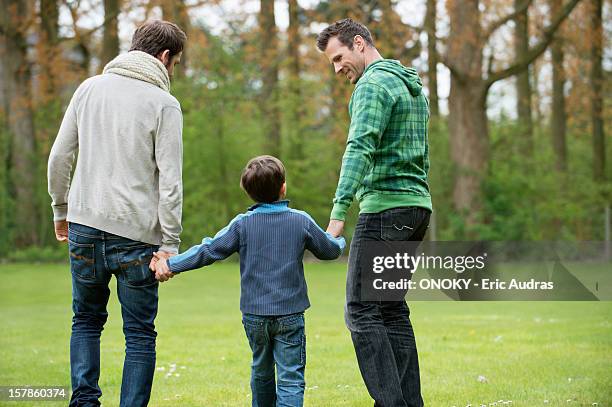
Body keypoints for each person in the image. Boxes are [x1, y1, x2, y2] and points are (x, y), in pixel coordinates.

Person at [47, 20, 187, 407]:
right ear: (164, 57)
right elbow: (170, 182)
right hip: (138, 237)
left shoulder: (89, 89)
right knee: (140, 334)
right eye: (173, 63)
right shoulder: (164, 104)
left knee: (86, 321)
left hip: (84, 227)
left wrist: (61, 208)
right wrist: (170, 243)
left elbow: (60, 157)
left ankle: (85, 402)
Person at [153, 155, 346, 407]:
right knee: (290, 378)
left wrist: (170, 263)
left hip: (254, 315)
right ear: (283, 187)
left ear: (247, 192)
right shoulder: (301, 221)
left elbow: (208, 250)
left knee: (262, 372)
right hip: (290, 314)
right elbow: (329, 251)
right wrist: (337, 239)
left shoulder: (242, 224)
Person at [317, 18, 432, 407]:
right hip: (416, 208)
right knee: (391, 311)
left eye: (339, 57)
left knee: (361, 311)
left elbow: (359, 148)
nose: (337, 69)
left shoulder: (372, 85)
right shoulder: (412, 86)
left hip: (385, 210)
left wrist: (337, 212)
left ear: (360, 44)